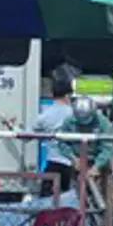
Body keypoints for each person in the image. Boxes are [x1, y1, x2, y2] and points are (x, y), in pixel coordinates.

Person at [31, 65, 77, 194]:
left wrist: (13, 127)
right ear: (68, 95)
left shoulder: (45, 115)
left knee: (47, 198)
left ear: (53, 95)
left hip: (53, 162)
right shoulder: (74, 114)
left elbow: (28, 135)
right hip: (72, 163)